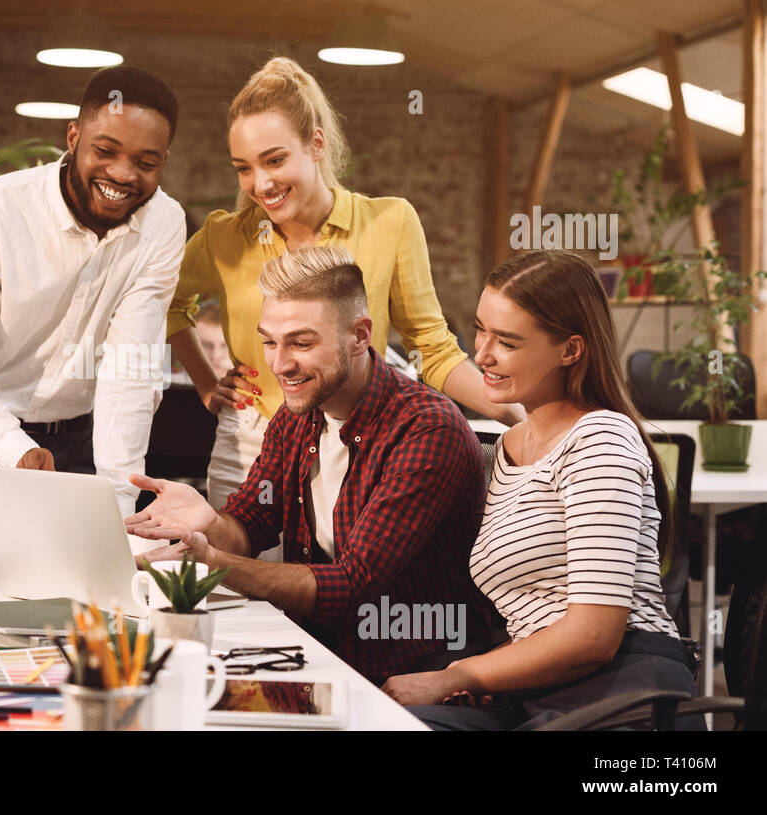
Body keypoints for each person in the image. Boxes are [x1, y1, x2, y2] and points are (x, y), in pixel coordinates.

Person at [127, 246, 497, 684]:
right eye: (269, 341)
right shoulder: (296, 417)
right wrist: (207, 522)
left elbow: (350, 587)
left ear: (360, 335)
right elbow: (247, 525)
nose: (280, 364)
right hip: (316, 659)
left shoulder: (426, 430)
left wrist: (215, 563)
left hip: (408, 679)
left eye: (301, 343)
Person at [168, 57, 523, 511]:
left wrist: (519, 414)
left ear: (316, 144)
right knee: (240, 577)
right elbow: (168, 301)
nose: (260, 183)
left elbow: (432, 350)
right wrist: (205, 383)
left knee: (344, 579)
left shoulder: (389, 223)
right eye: (243, 167)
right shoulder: (225, 237)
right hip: (250, 445)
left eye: (274, 160)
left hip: (357, 439)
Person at [382, 250, 701, 730]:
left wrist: (454, 676)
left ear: (570, 350)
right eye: (480, 330)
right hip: (537, 695)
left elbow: (592, 635)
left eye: (506, 342)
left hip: (624, 696)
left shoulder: (600, 439)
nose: (482, 354)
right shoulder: (508, 447)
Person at [0, 66, 186, 554]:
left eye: (146, 161)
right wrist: (17, 451)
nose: (123, 174)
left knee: (76, 601)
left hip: (78, 443)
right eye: (105, 151)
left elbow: (130, 373)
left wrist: (120, 504)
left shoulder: (164, 224)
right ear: (74, 136)